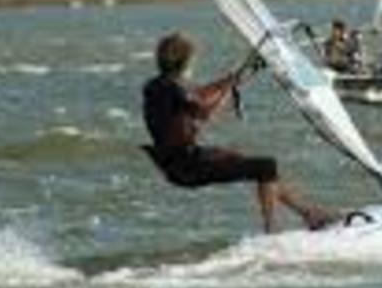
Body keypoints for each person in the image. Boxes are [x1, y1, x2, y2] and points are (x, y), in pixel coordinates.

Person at [142, 32, 337, 233]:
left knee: (246, 162)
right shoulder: (174, 90)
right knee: (266, 166)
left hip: (175, 161)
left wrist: (228, 80)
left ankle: (308, 214)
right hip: (187, 166)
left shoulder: (156, 86)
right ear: (185, 62)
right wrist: (228, 90)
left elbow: (196, 95)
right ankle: (272, 232)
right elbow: (205, 113)